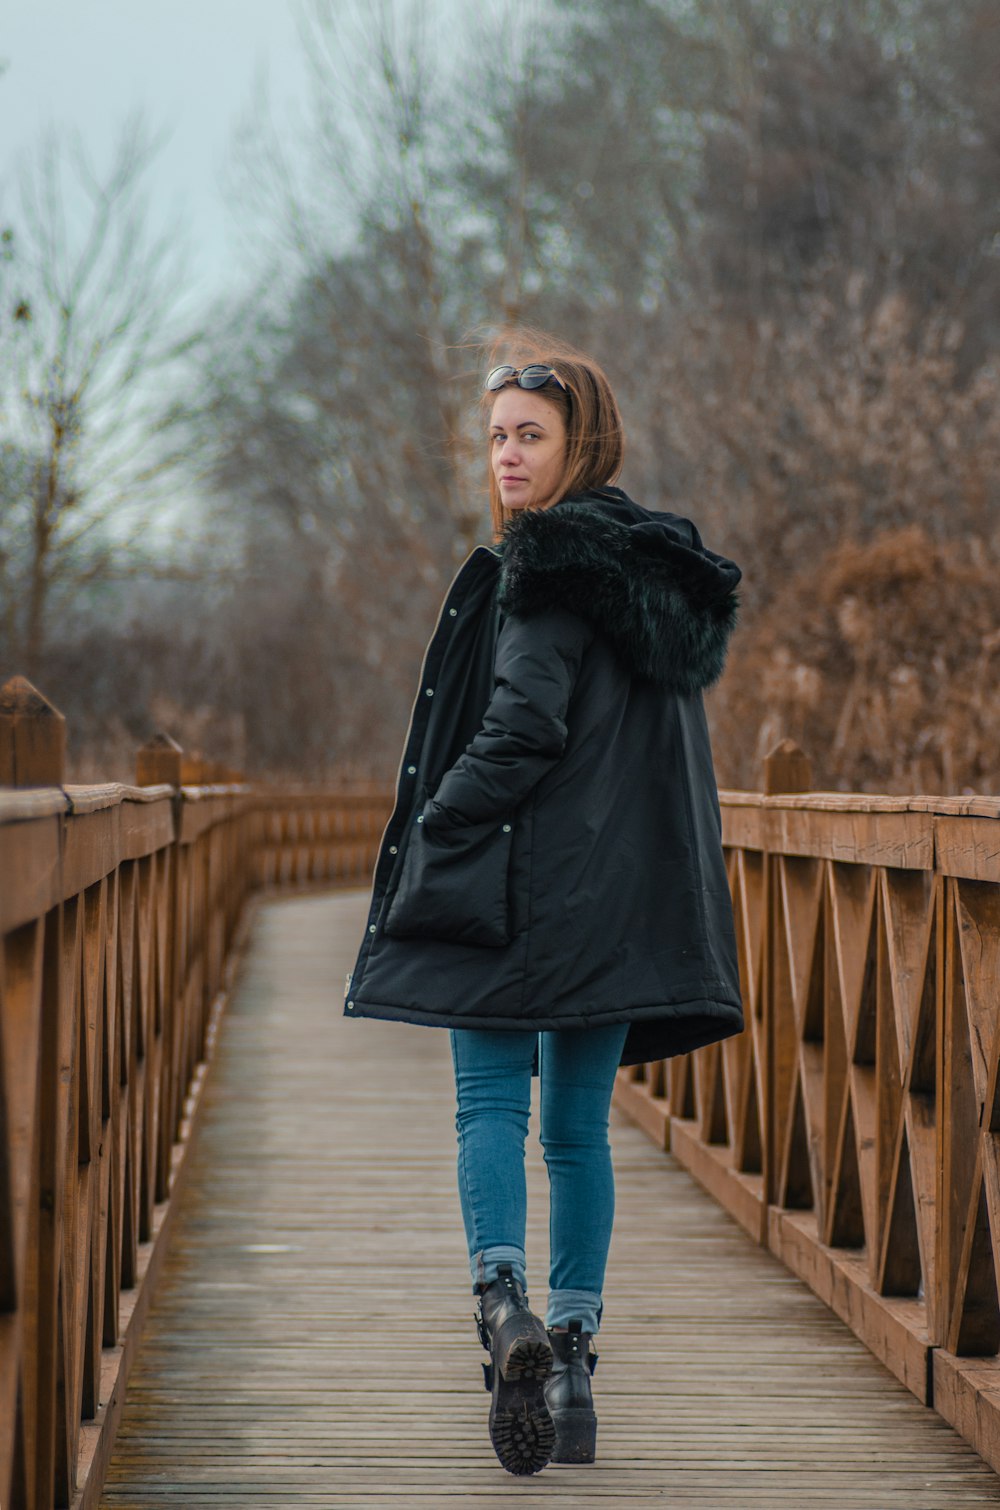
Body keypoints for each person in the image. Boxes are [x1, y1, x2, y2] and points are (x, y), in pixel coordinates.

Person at [345, 331, 744, 1476]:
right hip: (617, 906)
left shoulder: (545, 570)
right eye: (496, 438)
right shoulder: (654, 581)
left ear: (581, 444)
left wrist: (437, 822)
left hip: (516, 893)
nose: (506, 458)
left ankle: (501, 1305)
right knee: (576, 1133)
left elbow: (522, 727)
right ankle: (570, 1362)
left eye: (529, 436)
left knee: (488, 1111)